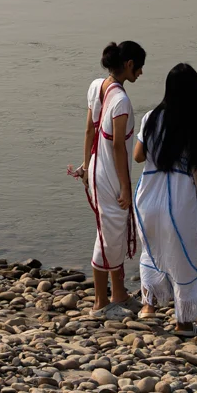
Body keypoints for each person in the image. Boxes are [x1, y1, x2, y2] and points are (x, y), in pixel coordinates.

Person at [131, 63, 197, 331]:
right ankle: (184, 321)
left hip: (149, 195)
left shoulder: (151, 118)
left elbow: (137, 156)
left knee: (152, 248)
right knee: (183, 257)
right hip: (181, 199)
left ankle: (149, 305)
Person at [74, 40, 146, 311]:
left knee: (111, 231)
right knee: (109, 235)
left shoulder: (97, 86)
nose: (140, 73)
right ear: (128, 65)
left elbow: (89, 131)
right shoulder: (122, 101)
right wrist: (126, 188)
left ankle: (118, 294)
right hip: (110, 177)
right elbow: (118, 146)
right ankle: (100, 302)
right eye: (139, 68)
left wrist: (84, 165)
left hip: (95, 170)